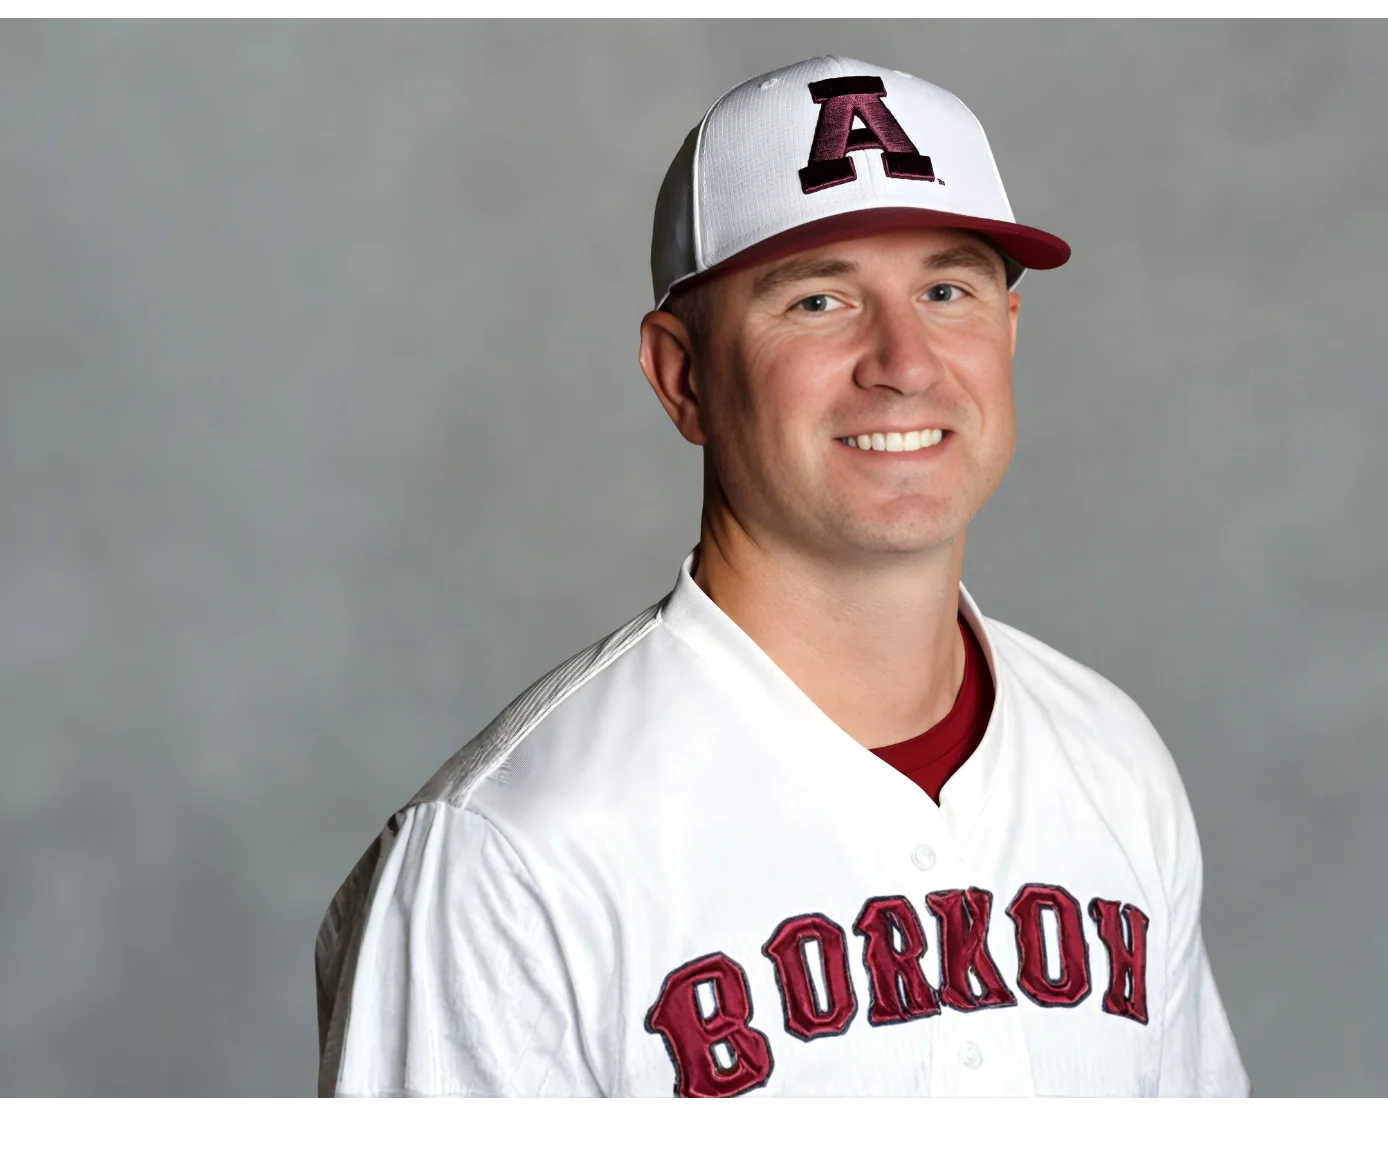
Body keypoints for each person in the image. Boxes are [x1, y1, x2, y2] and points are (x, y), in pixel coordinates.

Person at [314, 54, 1250, 1103]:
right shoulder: (509, 850)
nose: (904, 360)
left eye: (947, 290)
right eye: (816, 301)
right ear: (683, 376)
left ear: (1008, 333)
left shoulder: (1111, 758)